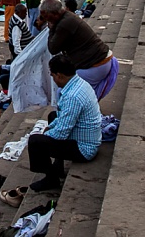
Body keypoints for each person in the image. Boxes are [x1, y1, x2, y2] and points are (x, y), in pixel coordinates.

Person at [27, 55, 102, 191]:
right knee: (52, 116)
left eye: (53, 76)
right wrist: (50, 127)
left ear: (59, 76)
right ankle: (58, 166)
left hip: (84, 149)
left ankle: (51, 179)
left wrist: (46, 134)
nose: (53, 80)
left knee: (35, 142)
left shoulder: (72, 96)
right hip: (87, 138)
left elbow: (61, 133)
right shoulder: (79, 82)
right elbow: (62, 118)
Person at [36, 0, 119, 100]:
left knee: (64, 92)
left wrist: (51, 28)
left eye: (47, 17)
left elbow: (53, 48)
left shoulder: (65, 23)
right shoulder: (67, 17)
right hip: (99, 61)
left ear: (55, 14)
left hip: (97, 65)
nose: (46, 20)